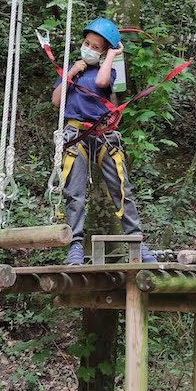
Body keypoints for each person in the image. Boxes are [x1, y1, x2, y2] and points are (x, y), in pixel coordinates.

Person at [52, 18, 156, 266]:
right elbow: (56, 101)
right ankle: (75, 246)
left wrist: (112, 54)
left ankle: (136, 241)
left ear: (104, 51)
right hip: (75, 135)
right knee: (74, 193)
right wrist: (71, 72)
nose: (89, 48)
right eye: (87, 43)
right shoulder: (71, 71)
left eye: (96, 47)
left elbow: (101, 83)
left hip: (103, 135)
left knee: (121, 189)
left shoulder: (107, 71)